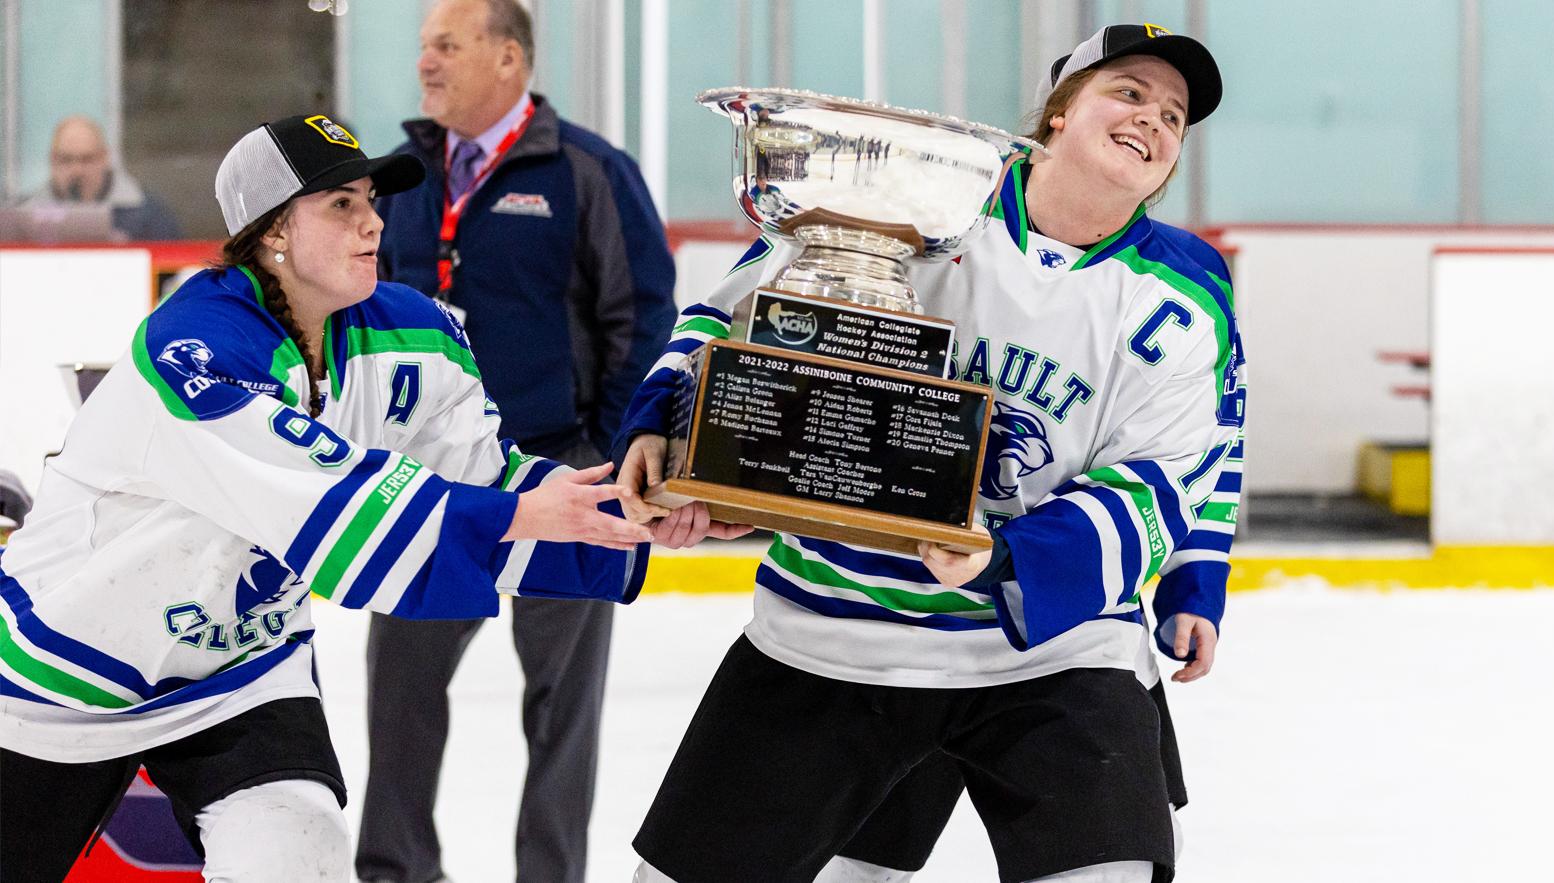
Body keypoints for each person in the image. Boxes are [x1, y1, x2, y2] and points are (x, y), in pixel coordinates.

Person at [620, 23, 1241, 883]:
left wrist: (1182, 576)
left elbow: (1173, 474)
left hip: (1056, 654)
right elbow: (728, 319)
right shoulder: (917, 201)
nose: (1153, 120)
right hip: (838, 631)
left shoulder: (1186, 290)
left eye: (1174, 117)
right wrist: (665, 424)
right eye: (1128, 92)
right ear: (1058, 115)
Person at [0, 112, 658, 883]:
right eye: (340, 204)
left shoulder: (415, 335)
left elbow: (487, 479)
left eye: (371, 199)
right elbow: (332, 511)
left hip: (239, 671)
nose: (373, 221)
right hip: (65, 675)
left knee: (299, 857)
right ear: (273, 229)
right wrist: (518, 513)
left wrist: (638, 511)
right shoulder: (194, 351)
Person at [355, 2, 677, 881]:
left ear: (508, 59)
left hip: (563, 473)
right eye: (422, 44)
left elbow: (641, 317)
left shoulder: (588, 171)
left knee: (562, 710)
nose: (425, 62)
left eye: (446, 45)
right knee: (400, 697)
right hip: (433, 486)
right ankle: (394, 871)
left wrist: (605, 453)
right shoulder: (402, 175)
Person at [819, 447, 1243, 882]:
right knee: (850, 859)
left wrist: (1195, 583)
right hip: (889, 625)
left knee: (1116, 852)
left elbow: (1199, 455)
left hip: (1078, 633)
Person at [13, 115, 183, 240]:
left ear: (104, 158)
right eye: (66, 160)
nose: (77, 170)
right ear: (52, 160)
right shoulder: (23, 216)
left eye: (87, 159)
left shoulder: (148, 214)